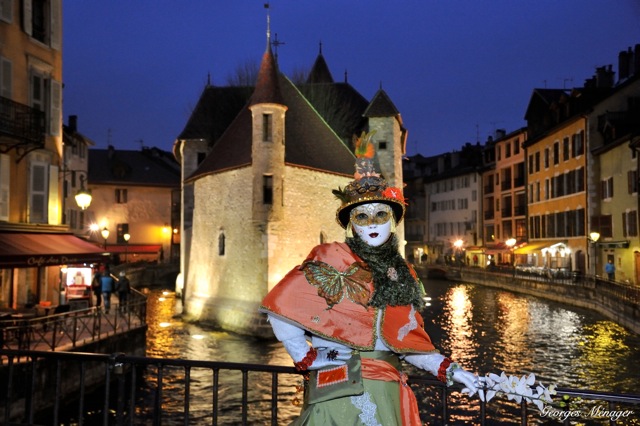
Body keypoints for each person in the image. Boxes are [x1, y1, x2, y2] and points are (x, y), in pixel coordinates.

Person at [260, 132, 479, 425]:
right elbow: (280, 308)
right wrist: (307, 357)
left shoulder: (403, 274)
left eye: (381, 215)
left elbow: (408, 343)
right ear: (351, 224)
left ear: (393, 220)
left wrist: (452, 370)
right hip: (337, 395)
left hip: (387, 393)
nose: (373, 223)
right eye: (362, 217)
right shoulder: (332, 258)